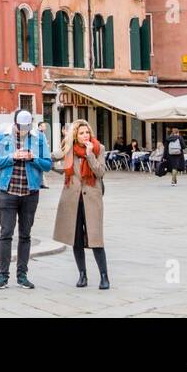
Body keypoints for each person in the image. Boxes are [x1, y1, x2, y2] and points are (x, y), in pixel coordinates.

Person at [0, 110, 52, 290]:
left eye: (27, 127)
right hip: (8, 191)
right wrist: (12, 157)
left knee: (25, 235)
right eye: (20, 127)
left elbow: (47, 165)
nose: (23, 130)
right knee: (6, 233)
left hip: (30, 192)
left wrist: (33, 158)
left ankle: (22, 275)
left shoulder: (39, 138)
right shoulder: (2, 136)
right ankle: (3, 276)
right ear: (15, 123)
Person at [52, 120, 110, 290]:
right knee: (76, 239)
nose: (85, 135)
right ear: (76, 135)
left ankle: (104, 277)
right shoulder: (69, 149)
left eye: (87, 132)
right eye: (81, 133)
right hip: (72, 199)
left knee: (96, 238)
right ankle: (82, 275)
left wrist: (90, 154)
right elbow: (54, 158)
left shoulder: (99, 148)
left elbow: (100, 172)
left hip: (92, 198)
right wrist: (46, 163)